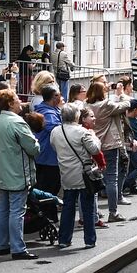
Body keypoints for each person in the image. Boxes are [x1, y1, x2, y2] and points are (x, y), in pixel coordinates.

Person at [0, 88, 41, 259]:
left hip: (1, 172)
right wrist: (36, 141)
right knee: (17, 211)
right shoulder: (17, 122)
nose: (20, 102)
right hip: (17, 172)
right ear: (11, 104)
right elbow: (33, 148)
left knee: (2, 209)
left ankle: (1, 244)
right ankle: (18, 248)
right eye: (18, 99)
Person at [54, 103, 103, 249]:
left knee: (68, 207)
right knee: (87, 208)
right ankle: (89, 240)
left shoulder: (56, 131)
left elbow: (53, 147)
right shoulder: (82, 132)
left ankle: (64, 239)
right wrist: (95, 137)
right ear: (76, 116)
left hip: (66, 173)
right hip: (84, 174)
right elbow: (94, 149)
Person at [89, 80, 137, 222]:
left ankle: (94, 212)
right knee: (112, 179)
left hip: (93, 145)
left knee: (94, 178)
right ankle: (113, 212)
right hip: (110, 145)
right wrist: (122, 95)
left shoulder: (87, 105)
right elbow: (126, 104)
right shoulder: (107, 105)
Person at [32, 83, 64, 196]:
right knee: (48, 191)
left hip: (45, 157)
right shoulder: (48, 113)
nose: (61, 97)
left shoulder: (50, 110)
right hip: (48, 158)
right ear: (54, 97)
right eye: (59, 95)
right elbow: (57, 131)